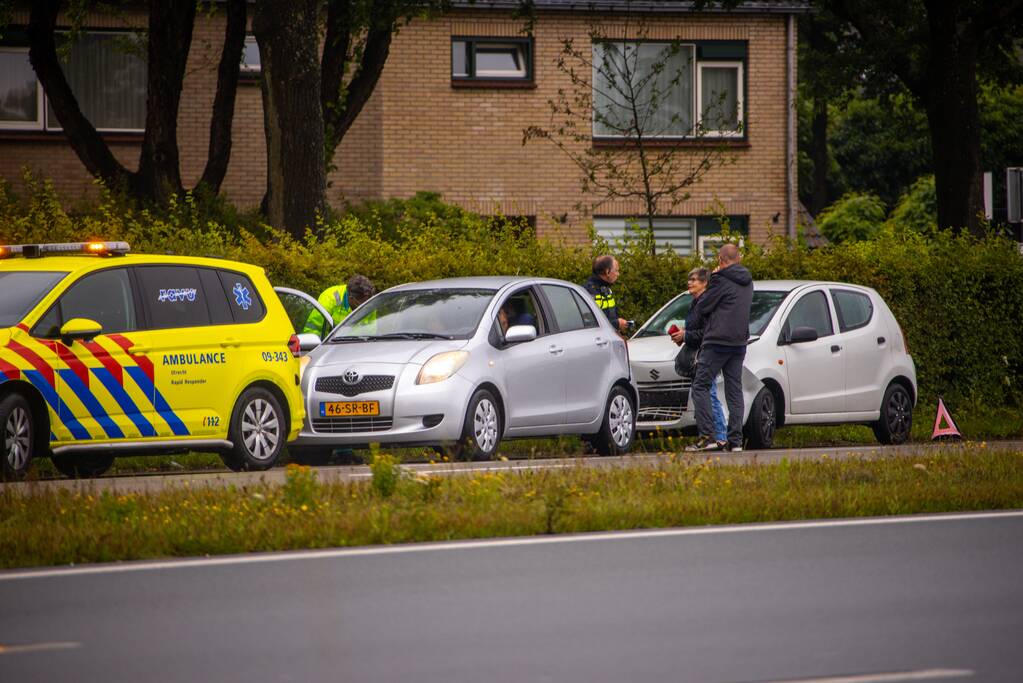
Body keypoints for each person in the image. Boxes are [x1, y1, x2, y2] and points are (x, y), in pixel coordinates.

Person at [684, 244, 753, 452]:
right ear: (738, 258)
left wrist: (714, 277)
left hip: (717, 341)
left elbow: (703, 306)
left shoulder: (720, 279)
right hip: (739, 342)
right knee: (734, 391)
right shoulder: (748, 281)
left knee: (700, 386)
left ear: (720, 260)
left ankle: (708, 436)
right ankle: (736, 441)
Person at [671, 267, 726, 443]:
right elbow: (697, 328)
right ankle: (718, 436)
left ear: (705, 283)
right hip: (699, 354)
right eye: (689, 279)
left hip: (707, 354)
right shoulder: (695, 302)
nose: (689, 283)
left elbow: (708, 332)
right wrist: (683, 334)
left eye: (694, 280)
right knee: (706, 394)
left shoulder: (707, 303)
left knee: (708, 394)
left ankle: (719, 436)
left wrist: (686, 335)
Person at [303, 274, 376, 336]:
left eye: (367, 304)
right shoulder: (330, 298)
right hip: (330, 346)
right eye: (361, 305)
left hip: (358, 346)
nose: (365, 307)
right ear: (351, 298)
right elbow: (313, 330)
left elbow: (371, 334)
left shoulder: (369, 303)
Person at [583, 255, 629, 334]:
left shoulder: (606, 289)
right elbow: (591, 323)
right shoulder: (589, 291)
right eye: (616, 270)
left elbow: (611, 315)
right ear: (607, 272)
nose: (618, 274)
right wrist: (617, 324)